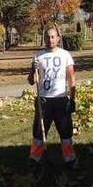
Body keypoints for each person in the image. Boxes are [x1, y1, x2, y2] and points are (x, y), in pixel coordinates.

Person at [27, 26, 77, 167]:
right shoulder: (38, 56)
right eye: (47, 37)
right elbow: (32, 81)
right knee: (39, 131)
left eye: (53, 37)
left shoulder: (65, 54)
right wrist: (32, 69)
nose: (50, 40)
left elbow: (71, 78)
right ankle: (34, 159)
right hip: (44, 99)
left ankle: (69, 159)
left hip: (61, 99)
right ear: (44, 39)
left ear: (58, 38)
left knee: (65, 131)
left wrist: (72, 99)